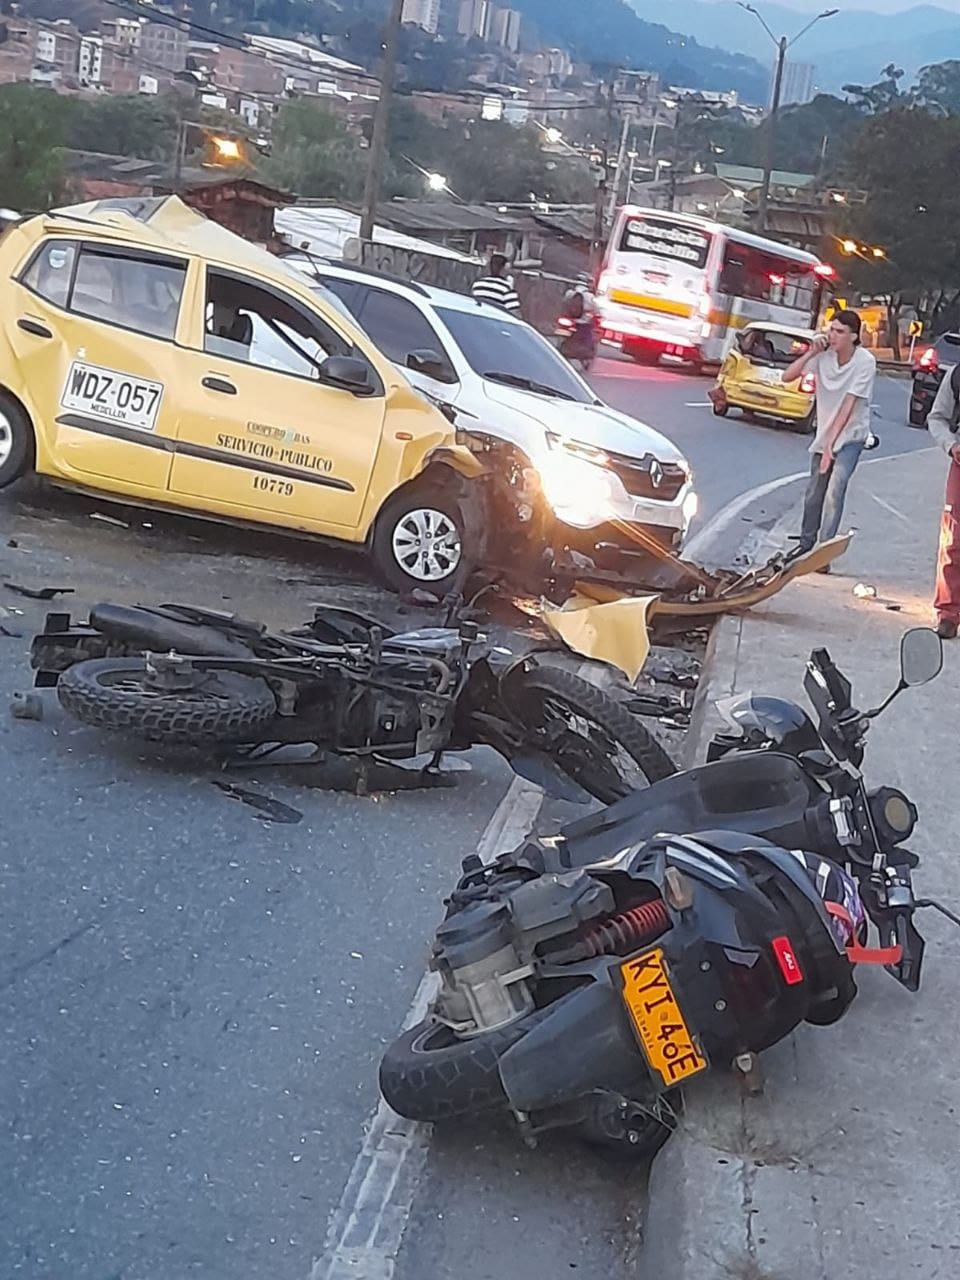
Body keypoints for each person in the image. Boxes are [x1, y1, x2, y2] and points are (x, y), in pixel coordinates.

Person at [783, 310, 877, 570]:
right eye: (831, 329)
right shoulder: (823, 357)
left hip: (851, 435)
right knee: (815, 492)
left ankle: (822, 555)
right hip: (824, 433)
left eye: (840, 332)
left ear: (854, 337)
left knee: (836, 487)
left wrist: (830, 449)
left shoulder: (865, 362)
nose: (833, 336)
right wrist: (811, 352)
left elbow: (848, 405)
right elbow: (787, 376)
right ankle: (805, 543)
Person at [924, 360, 960, 638]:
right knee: (952, 542)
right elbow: (936, 418)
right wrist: (951, 445)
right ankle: (948, 614)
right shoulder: (957, 375)